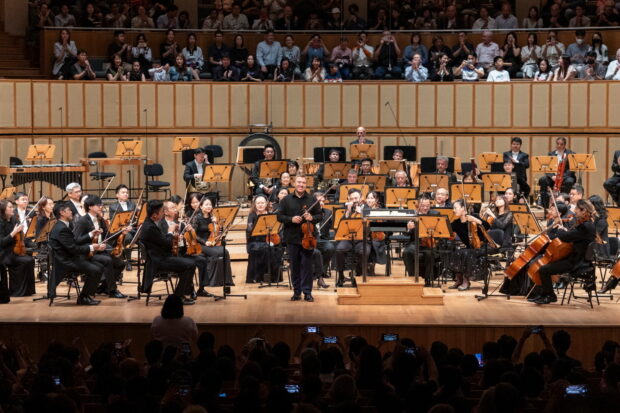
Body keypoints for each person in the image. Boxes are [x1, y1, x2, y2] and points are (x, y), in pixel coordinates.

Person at [531, 199, 596, 305]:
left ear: (583, 210)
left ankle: (550, 295)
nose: (574, 211)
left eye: (577, 209)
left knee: (543, 269)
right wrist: (565, 231)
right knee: (546, 265)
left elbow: (565, 237)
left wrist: (560, 230)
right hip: (579, 259)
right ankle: (543, 294)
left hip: (576, 262)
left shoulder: (585, 226)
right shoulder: (588, 224)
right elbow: (572, 235)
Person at [139, 200, 196, 305]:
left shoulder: (150, 223)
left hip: (160, 257)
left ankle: (181, 294)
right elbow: (166, 243)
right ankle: (179, 296)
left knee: (189, 264)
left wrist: (174, 236)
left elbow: (161, 240)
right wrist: (170, 232)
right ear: (155, 215)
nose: (162, 213)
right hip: (157, 261)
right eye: (161, 212)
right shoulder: (150, 227)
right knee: (190, 264)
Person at [48, 202, 105, 305]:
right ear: (62, 213)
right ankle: (83, 297)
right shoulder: (61, 229)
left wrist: (91, 234)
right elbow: (73, 248)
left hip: (70, 257)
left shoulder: (64, 225)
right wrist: (92, 247)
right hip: (66, 261)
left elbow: (73, 242)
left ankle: (85, 295)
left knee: (99, 266)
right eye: (69, 210)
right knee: (96, 270)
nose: (71, 212)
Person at [277, 175, 322, 302]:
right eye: (299, 182)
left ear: (306, 184)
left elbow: (320, 215)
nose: (301, 184)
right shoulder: (286, 200)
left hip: (308, 238)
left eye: (303, 182)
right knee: (295, 266)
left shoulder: (312, 200)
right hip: (292, 238)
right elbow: (279, 216)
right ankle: (297, 292)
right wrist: (290, 219)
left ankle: (307, 292)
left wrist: (312, 218)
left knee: (307, 266)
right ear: (294, 183)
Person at [73, 195, 126, 299]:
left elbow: (108, 236)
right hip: (88, 252)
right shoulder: (83, 221)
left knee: (120, 264)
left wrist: (121, 231)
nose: (101, 206)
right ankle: (112, 290)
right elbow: (76, 240)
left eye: (101, 204)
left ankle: (104, 287)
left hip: (101, 250)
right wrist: (92, 239)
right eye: (98, 205)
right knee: (107, 260)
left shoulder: (100, 220)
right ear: (90, 207)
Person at [448, 199, 492, 291]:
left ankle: (466, 281)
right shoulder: (456, 223)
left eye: (455, 208)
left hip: (482, 246)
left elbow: (487, 226)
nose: (453, 210)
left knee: (465, 253)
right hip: (470, 248)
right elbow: (447, 229)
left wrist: (476, 220)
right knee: (455, 252)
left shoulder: (474, 217)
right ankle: (459, 279)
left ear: (463, 208)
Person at [192, 197, 234, 289]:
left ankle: (226, 281)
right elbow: (194, 235)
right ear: (201, 206)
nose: (208, 206)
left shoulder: (213, 217)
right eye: (206, 204)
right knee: (219, 252)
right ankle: (213, 281)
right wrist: (204, 242)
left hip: (213, 243)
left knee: (225, 251)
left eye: (210, 204)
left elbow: (220, 231)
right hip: (201, 244)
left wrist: (217, 223)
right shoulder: (196, 218)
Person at [0, 200, 35, 297]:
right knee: (26, 261)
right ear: (3, 210)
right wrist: (14, 232)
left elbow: (21, 236)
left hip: (14, 251)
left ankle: (28, 291)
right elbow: (2, 242)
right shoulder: (1, 222)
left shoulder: (13, 220)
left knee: (30, 260)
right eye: (10, 207)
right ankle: (16, 291)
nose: (12, 209)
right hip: (4, 253)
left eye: (12, 207)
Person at [334, 188, 368, 287]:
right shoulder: (346, 209)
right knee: (339, 250)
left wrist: (362, 213)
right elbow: (341, 225)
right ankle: (341, 276)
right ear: (349, 199)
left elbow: (370, 224)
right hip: (348, 238)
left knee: (363, 251)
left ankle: (358, 275)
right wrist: (348, 211)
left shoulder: (366, 208)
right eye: (352, 198)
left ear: (361, 198)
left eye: (356, 198)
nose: (354, 200)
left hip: (362, 239)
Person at [246, 195, 282, 284]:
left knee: (277, 249)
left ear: (266, 204)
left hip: (269, 240)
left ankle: (274, 277)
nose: (260, 205)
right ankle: (260, 277)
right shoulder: (252, 215)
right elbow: (250, 230)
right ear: (255, 204)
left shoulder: (271, 214)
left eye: (262, 203)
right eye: (258, 203)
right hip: (255, 241)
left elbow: (276, 227)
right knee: (265, 248)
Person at [403, 197, 439, 285]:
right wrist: (409, 228)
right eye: (423, 206)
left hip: (429, 243)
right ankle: (412, 277)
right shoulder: (413, 216)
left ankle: (427, 279)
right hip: (415, 243)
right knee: (407, 252)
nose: (426, 208)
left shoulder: (435, 214)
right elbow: (406, 235)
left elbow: (439, 231)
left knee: (429, 254)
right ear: (418, 206)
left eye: (428, 206)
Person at [538, 137, 576, 209]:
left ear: (565, 145)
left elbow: (572, 170)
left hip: (565, 177)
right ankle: (544, 205)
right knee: (543, 180)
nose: (559, 146)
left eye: (561, 144)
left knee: (570, 181)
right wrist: (552, 176)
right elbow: (547, 168)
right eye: (558, 144)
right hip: (553, 178)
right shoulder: (551, 154)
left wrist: (561, 177)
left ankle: (564, 203)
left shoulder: (571, 154)